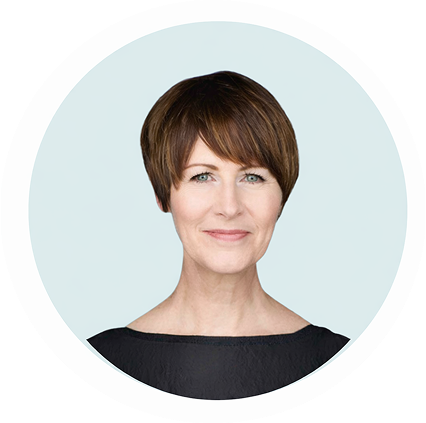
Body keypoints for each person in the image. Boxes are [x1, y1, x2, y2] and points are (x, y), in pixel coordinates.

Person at [88, 71, 349, 399]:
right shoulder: (96, 364)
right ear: (162, 195)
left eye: (252, 177)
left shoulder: (340, 361)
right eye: (202, 176)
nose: (229, 207)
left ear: (282, 196)